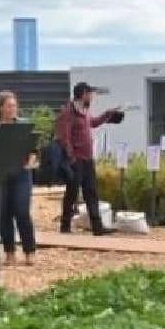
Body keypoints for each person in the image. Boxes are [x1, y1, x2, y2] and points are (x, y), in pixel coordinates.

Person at [55, 81, 120, 236]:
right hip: (76, 159)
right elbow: (64, 137)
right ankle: (65, 226)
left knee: (91, 193)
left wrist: (108, 114)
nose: (92, 97)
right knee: (71, 193)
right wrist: (71, 158)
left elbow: (94, 123)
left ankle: (97, 227)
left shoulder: (84, 111)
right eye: (90, 94)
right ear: (83, 94)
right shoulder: (68, 112)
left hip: (88, 159)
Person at [0, 91, 37, 265]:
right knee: (4, 213)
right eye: (9, 105)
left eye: (15, 105)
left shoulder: (23, 125)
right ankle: (9, 252)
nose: (13, 108)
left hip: (21, 173)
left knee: (22, 211)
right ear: (1, 107)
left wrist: (32, 161)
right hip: (0, 173)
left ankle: (29, 251)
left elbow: (34, 150)